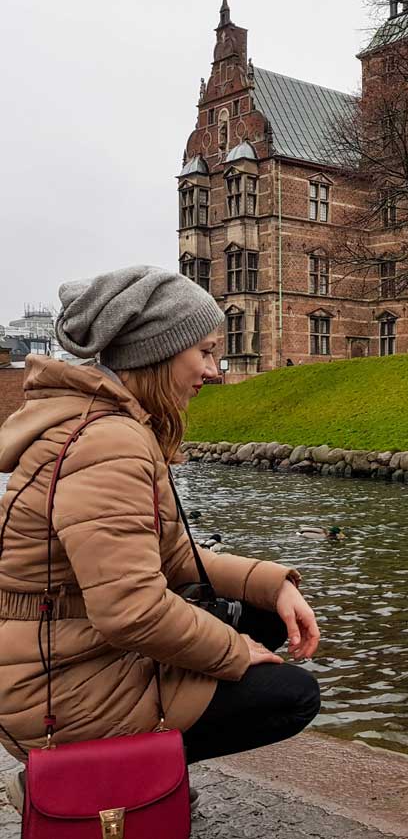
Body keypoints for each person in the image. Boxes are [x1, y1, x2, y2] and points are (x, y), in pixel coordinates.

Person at [0, 266, 321, 811]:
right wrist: (232, 651)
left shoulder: (108, 421)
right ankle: (94, 777)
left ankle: (126, 769)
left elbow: (173, 558)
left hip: (62, 652)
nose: (214, 371)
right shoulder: (109, 442)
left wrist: (271, 586)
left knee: (266, 618)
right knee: (289, 696)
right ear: (161, 352)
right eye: (205, 351)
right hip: (55, 689)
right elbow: (129, 609)